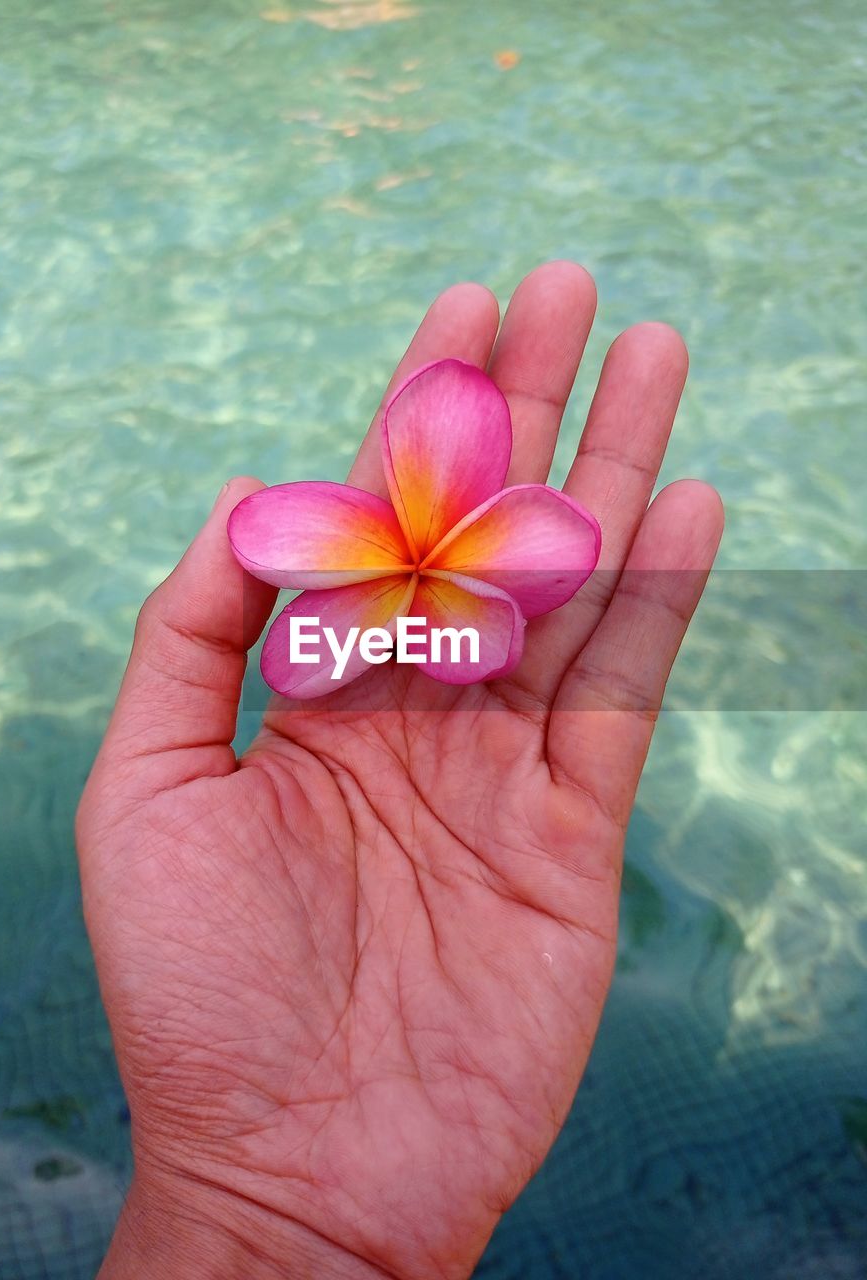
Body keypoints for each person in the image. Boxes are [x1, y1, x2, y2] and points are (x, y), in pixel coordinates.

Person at [76, 262, 724, 1279]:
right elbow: (287, 590)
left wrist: (247, 1220)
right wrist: (244, 1207)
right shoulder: (366, 612)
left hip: (444, 584)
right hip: (396, 591)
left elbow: (497, 607)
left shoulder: (472, 599)